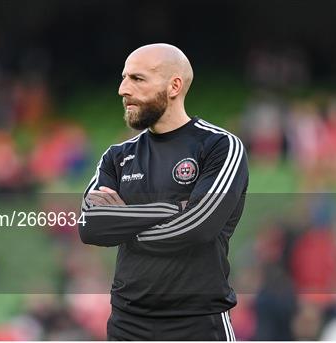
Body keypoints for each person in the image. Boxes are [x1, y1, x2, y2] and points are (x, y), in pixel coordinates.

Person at [78, 43, 249, 341]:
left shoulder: (220, 146)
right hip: (127, 324)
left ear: (174, 86)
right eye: (124, 78)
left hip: (197, 324)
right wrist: (173, 209)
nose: (122, 89)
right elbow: (90, 227)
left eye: (137, 79)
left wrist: (125, 220)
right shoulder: (117, 156)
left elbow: (199, 227)